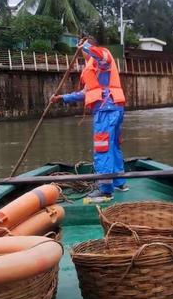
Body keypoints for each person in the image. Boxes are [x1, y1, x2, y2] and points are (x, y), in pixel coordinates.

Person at [50, 37, 127, 201]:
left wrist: (85, 46)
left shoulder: (102, 57)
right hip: (113, 108)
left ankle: (105, 189)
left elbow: (102, 56)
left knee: (103, 148)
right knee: (113, 146)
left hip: (106, 110)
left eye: (84, 50)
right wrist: (61, 98)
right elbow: (84, 93)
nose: (82, 54)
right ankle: (119, 182)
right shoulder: (92, 67)